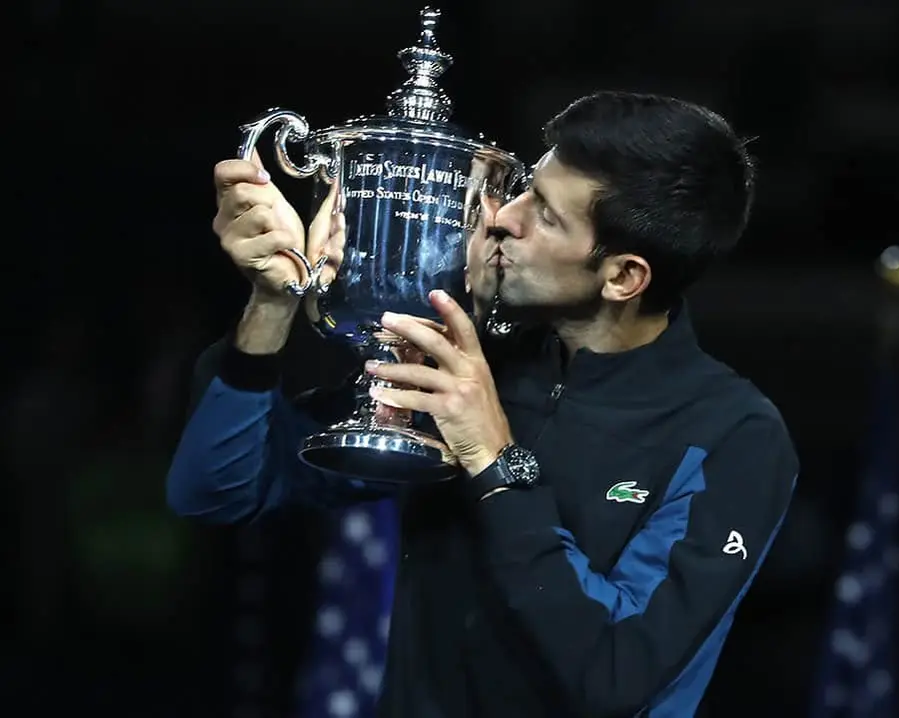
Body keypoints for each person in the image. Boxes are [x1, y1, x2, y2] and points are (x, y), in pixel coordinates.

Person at [167, 90, 799, 718]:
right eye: (525, 186)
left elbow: (613, 676)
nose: (501, 218)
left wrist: (494, 460)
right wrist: (272, 306)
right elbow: (218, 490)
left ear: (623, 277)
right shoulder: (479, 365)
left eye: (546, 216)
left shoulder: (735, 435)